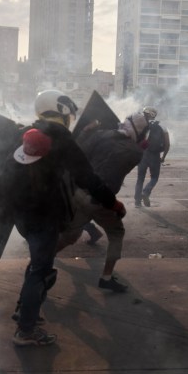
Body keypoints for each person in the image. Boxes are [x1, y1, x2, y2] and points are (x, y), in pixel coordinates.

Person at [0, 90, 125, 347]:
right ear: (61, 112)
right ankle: (25, 330)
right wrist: (112, 202)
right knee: (41, 271)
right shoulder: (61, 139)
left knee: (37, 266)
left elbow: (4, 172)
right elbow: (88, 178)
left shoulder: (23, 133)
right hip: (45, 216)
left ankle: (25, 311)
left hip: (23, 217)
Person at [57, 115, 144, 292]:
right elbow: (119, 164)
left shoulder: (102, 135)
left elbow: (79, 152)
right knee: (116, 233)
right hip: (101, 199)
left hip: (80, 193)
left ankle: (41, 261)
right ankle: (106, 277)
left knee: (70, 237)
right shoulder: (136, 153)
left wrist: (85, 132)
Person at [134, 106, 170, 208]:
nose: (144, 115)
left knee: (140, 178)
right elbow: (167, 144)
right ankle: (146, 192)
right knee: (154, 177)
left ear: (149, 114)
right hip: (155, 155)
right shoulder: (162, 125)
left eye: (145, 113)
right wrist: (163, 157)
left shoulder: (141, 125)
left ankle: (137, 202)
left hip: (142, 155)